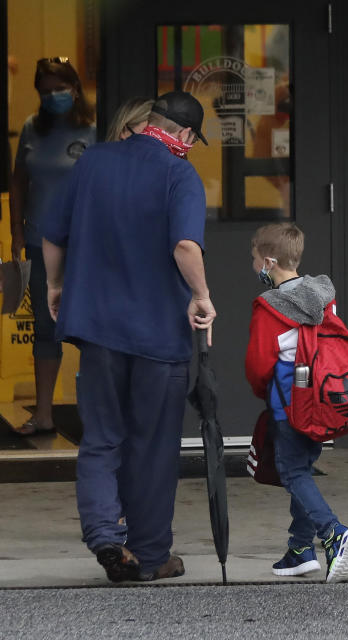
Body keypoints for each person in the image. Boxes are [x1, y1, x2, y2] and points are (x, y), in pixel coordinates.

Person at [42, 91, 215, 582]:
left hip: (97, 331)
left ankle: (104, 535)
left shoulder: (93, 161)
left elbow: (53, 233)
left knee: (101, 438)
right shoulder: (179, 173)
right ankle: (151, 554)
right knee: (154, 446)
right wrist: (202, 295)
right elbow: (184, 245)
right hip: (159, 336)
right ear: (183, 135)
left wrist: (56, 286)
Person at [244, 222, 348, 582]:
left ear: (268, 261)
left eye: (254, 260)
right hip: (324, 400)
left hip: (289, 403)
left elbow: (258, 364)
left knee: (293, 471)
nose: (253, 266)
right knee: (303, 469)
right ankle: (300, 549)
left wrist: (260, 389)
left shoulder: (269, 307)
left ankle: (333, 533)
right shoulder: (324, 294)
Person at [9, 57, 96, 436]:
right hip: (40, 242)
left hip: (87, 243)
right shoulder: (32, 127)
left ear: (75, 89)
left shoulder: (95, 128)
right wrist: (15, 232)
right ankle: (43, 414)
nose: (53, 96)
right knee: (45, 328)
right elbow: (18, 182)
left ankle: (98, 414)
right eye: (45, 91)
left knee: (93, 328)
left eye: (59, 89)